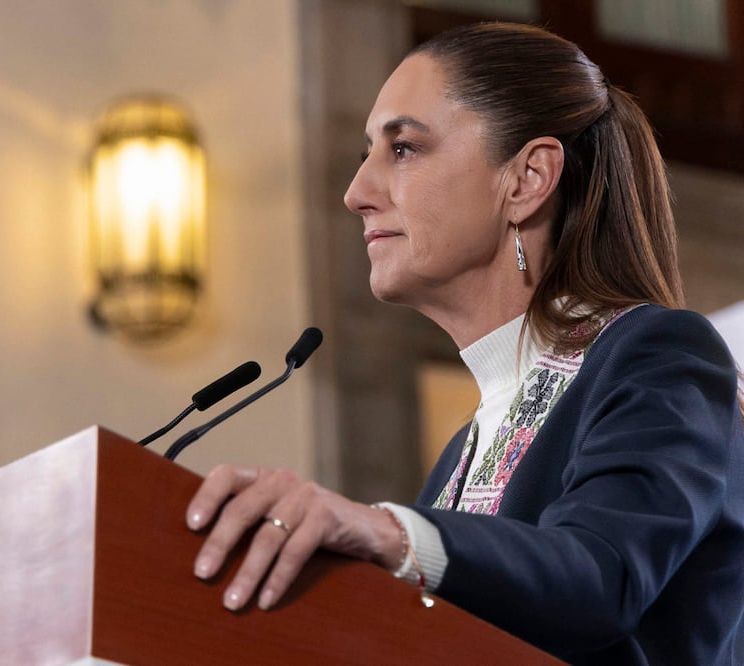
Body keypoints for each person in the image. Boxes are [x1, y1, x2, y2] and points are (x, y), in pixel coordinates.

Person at [184, 22, 744, 666]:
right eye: (368, 151)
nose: (356, 193)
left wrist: (380, 529)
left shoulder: (660, 355)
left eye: (403, 149)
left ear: (528, 178)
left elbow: (602, 572)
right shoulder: (462, 452)